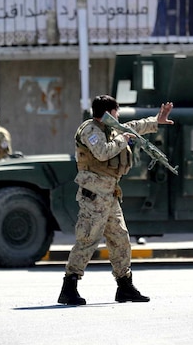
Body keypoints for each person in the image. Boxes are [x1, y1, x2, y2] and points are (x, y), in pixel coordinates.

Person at [57, 95, 174, 306]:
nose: (118, 116)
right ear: (110, 112)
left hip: (110, 194)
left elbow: (134, 125)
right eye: (116, 112)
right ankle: (69, 286)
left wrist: (157, 120)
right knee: (87, 239)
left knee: (120, 238)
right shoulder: (90, 130)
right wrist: (124, 139)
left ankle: (125, 286)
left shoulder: (111, 129)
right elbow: (102, 153)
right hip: (94, 194)